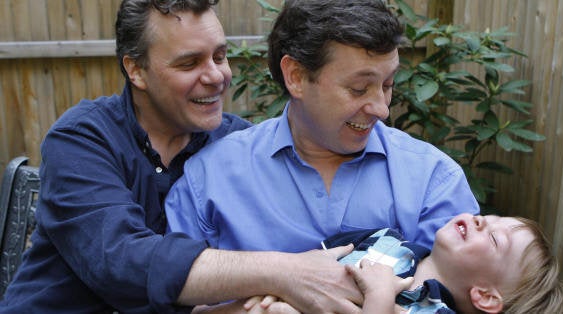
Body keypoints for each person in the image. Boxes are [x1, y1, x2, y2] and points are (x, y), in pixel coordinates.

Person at [0, 1, 365, 313]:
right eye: (190, 63)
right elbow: (120, 260)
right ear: (136, 70)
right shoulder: (83, 138)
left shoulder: (239, 145)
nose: (217, 76)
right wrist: (283, 272)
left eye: (220, 56)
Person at [166, 0, 479, 254]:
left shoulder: (434, 182)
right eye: (359, 89)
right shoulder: (208, 182)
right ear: (297, 77)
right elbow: (177, 297)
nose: (382, 109)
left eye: (387, 84)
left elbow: (458, 295)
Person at [333, 213, 563, 313]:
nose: (479, 221)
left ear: (485, 296)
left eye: (495, 239)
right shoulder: (385, 238)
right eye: (487, 217)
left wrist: (380, 297)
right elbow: (310, 265)